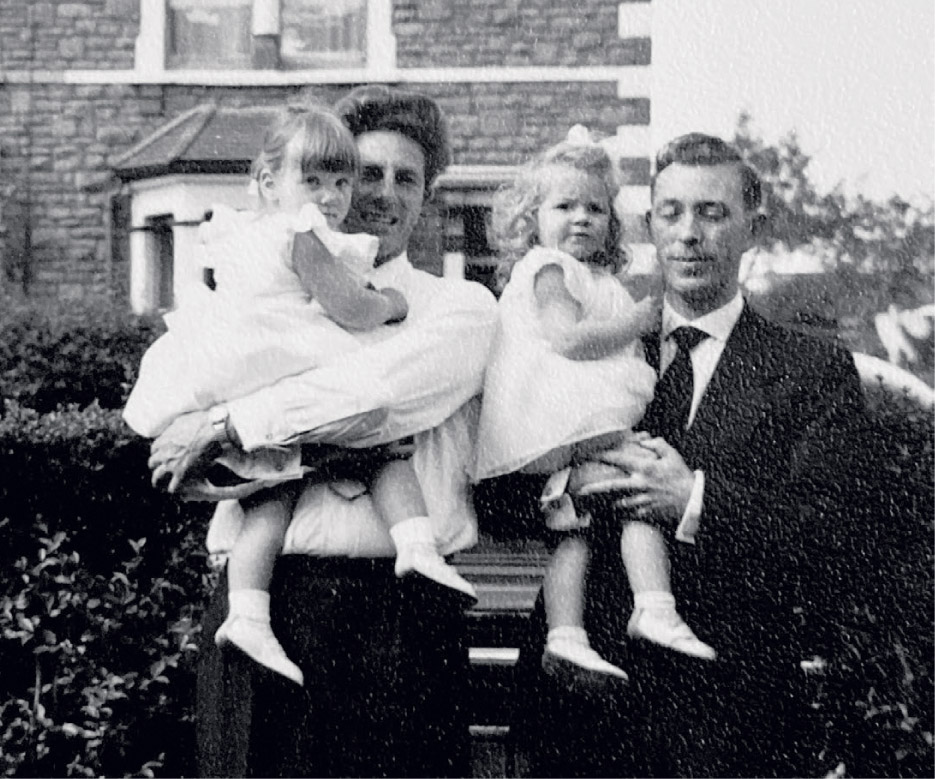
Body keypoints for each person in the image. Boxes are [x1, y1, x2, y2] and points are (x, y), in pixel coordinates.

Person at [477, 133, 868, 777]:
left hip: (729, 716)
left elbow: (834, 532)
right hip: (581, 710)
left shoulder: (812, 370)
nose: (688, 233)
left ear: (753, 228)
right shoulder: (584, 341)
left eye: (712, 213)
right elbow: (491, 488)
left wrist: (693, 500)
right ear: (650, 223)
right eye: (671, 212)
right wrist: (563, 490)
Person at [148, 85, 498, 777]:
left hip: (398, 615)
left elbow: (376, 399)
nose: (379, 194)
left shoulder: (455, 307)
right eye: (363, 174)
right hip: (267, 600)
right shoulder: (251, 296)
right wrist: (242, 427)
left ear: (426, 196)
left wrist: (231, 423)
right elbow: (165, 405)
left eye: (407, 179)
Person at [473, 125, 715, 686]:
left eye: (596, 207)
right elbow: (568, 338)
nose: (582, 217)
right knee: (636, 485)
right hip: (559, 418)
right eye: (564, 205)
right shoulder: (549, 270)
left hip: (572, 426)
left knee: (575, 527)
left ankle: (566, 634)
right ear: (531, 219)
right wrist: (634, 321)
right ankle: (654, 605)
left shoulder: (597, 276)